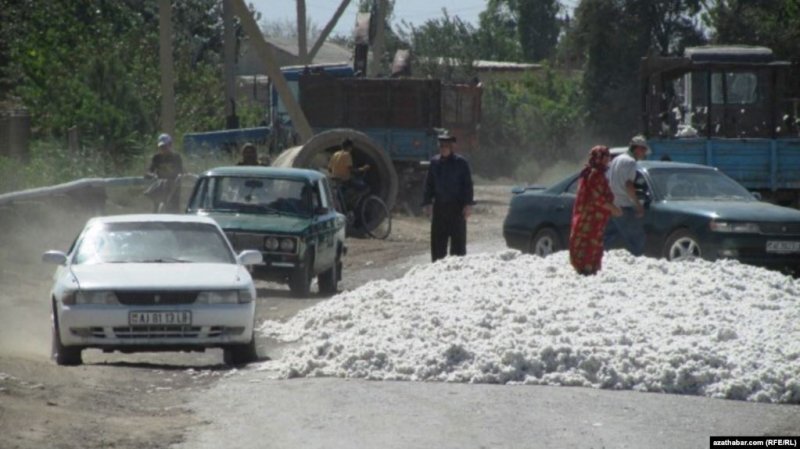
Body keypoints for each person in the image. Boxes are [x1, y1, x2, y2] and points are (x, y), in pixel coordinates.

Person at [422, 132, 475, 262]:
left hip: (457, 209)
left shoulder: (461, 163)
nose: (443, 148)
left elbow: (468, 185)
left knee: (458, 245)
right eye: (441, 146)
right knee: (438, 244)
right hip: (440, 208)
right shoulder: (434, 163)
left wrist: (468, 205)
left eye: (446, 146)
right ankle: (437, 269)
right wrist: (427, 203)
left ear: (451, 147)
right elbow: (429, 184)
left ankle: (456, 270)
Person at [569, 146, 623, 275]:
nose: (608, 160)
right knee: (588, 241)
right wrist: (613, 209)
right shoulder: (594, 175)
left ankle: (590, 268)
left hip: (595, 217)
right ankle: (586, 268)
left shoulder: (596, 173)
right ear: (598, 158)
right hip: (590, 217)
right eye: (605, 157)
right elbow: (596, 197)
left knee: (593, 242)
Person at [604, 134, 649, 256]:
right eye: (643, 150)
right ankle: (639, 262)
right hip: (624, 206)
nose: (644, 153)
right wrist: (638, 206)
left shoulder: (617, 159)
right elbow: (629, 185)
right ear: (637, 148)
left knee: (609, 236)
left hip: (612, 204)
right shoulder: (630, 162)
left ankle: (598, 258)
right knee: (638, 238)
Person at [146, 133, 184, 213]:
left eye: (165, 147)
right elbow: (149, 171)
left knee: (174, 209)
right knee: (156, 209)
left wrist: (179, 177)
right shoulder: (157, 158)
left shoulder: (176, 157)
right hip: (160, 187)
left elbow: (181, 171)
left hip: (173, 187)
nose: (163, 149)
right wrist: (152, 175)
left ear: (170, 145)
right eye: (161, 147)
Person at [328, 138, 369, 210]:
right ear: (349, 147)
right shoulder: (347, 155)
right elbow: (351, 169)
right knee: (365, 188)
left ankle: (347, 201)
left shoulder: (335, 154)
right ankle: (353, 202)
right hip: (345, 180)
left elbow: (329, 168)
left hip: (335, 179)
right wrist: (362, 169)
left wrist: (336, 173)